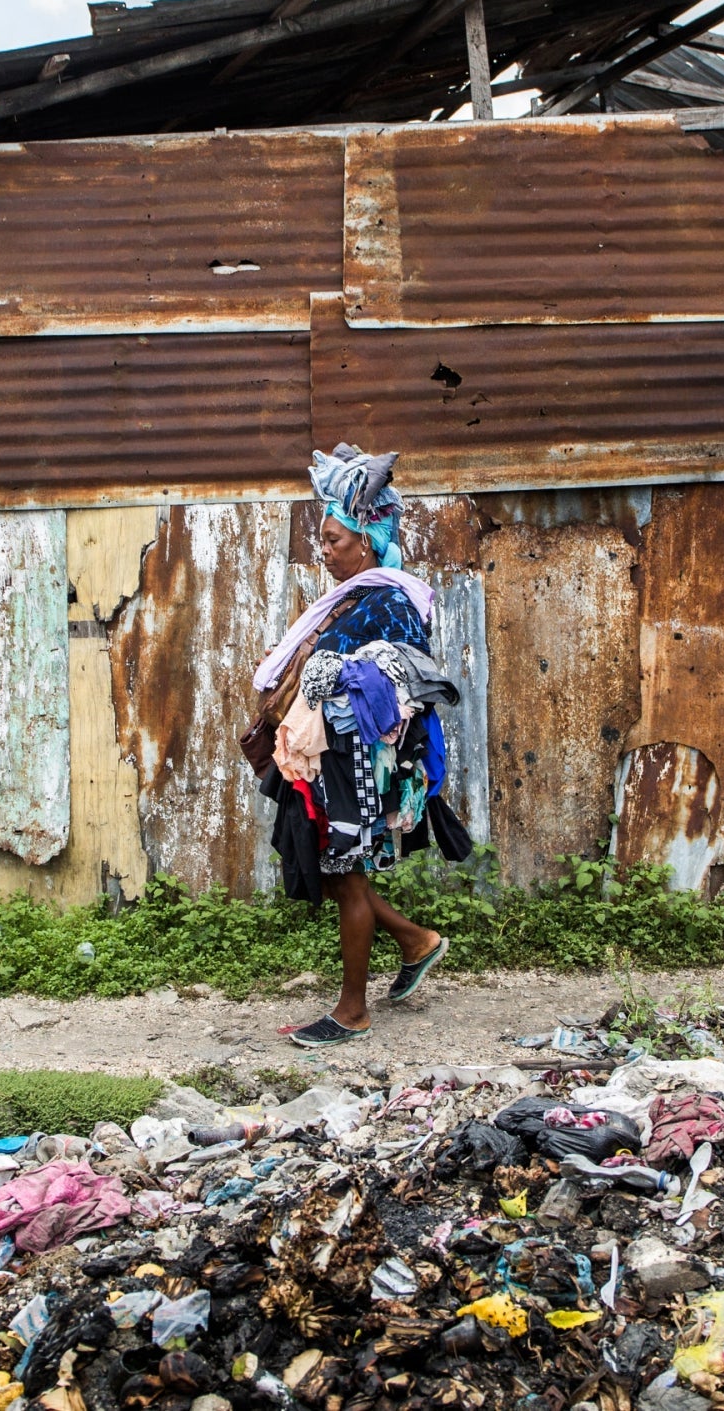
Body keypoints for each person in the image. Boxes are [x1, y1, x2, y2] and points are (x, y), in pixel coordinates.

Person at [248, 444, 466, 1047]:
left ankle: (352, 1013)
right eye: (322, 539)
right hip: (331, 760)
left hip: (357, 767)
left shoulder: (393, 598)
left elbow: (403, 681)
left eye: (335, 539)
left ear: (367, 540)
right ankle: (418, 941)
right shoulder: (357, 597)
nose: (324, 550)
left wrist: (337, 674)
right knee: (341, 874)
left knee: (344, 875)